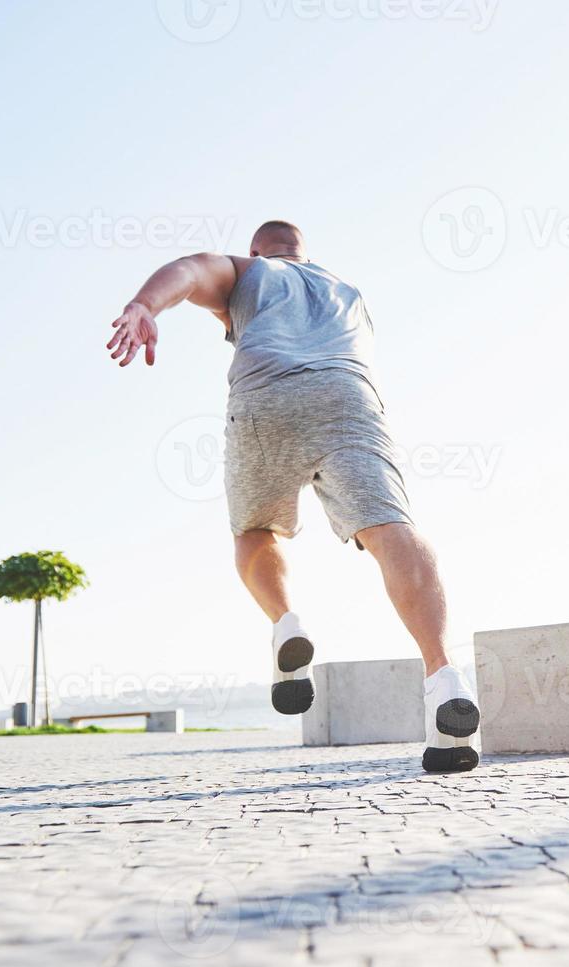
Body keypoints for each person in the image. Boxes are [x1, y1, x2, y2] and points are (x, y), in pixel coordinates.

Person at [106, 220, 480, 773]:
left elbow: (190, 270)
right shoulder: (347, 292)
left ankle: (286, 625)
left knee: (254, 532)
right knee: (389, 528)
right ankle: (444, 674)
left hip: (267, 397)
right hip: (350, 398)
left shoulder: (250, 271)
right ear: (307, 252)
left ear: (258, 249)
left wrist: (144, 305)